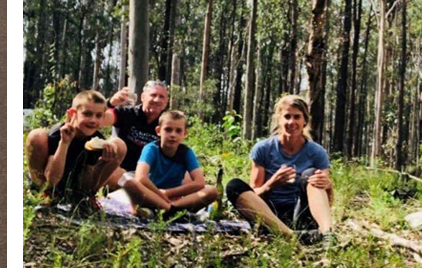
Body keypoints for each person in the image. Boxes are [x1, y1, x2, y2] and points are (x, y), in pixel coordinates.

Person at [225, 95, 335, 240]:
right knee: (234, 185)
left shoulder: (317, 152)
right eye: (287, 116)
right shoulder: (263, 149)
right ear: (279, 119)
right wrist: (271, 184)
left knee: (312, 174)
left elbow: (327, 198)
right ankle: (289, 236)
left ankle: (327, 235)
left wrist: (328, 185)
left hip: (301, 214)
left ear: (305, 121)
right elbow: (253, 195)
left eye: (297, 117)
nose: (292, 122)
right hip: (269, 214)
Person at [25, 90, 126, 204]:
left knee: (119, 145)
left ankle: (87, 198)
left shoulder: (97, 140)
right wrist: (64, 143)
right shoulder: (58, 134)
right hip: (52, 179)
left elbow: (90, 180)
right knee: (36, 136)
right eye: (87, 114)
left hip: (74, 183)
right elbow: (52, 179)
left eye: (98, 116)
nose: (93, 120)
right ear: (73, 113)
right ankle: (43, 192)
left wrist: (103, 164)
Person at [127, 110, 218, 214]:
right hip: (151, 194)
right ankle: (170, 210)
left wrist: (168, 193)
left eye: (178, 131)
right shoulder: (151, 149)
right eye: (168, 130)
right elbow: (141, 177)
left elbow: (200, 182)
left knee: (211, 191)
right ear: (158, 131)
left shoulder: (186, 152)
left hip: (174, 199)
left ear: (185, 133)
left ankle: (170, 208)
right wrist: (160, 194)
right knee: (129, 183)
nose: (173, 135)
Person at [105, 80, 169, 171]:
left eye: (161, 97)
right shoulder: (127, 113)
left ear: (166, 102)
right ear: (143, 97)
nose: (157, 100)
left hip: (150, 175)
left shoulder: (167, 122)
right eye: (153, 95)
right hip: (120, 172)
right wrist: (110, 104)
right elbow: (100, 120)